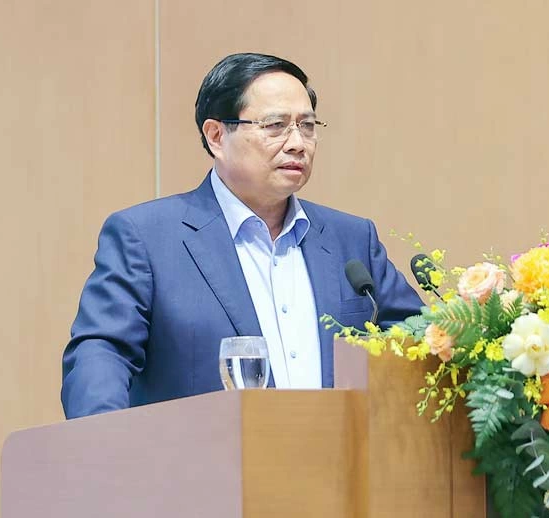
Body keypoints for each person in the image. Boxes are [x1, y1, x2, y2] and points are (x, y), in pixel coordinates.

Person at [61, 53, 422, 419]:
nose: (298, 143)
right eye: (276, 125)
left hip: (339, 454)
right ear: (217, 136)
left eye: (308, 126)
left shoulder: (352, 240)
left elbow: (421, 340)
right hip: (205, 455)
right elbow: (101, 354)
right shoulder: (148, 239)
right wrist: (103, 442)